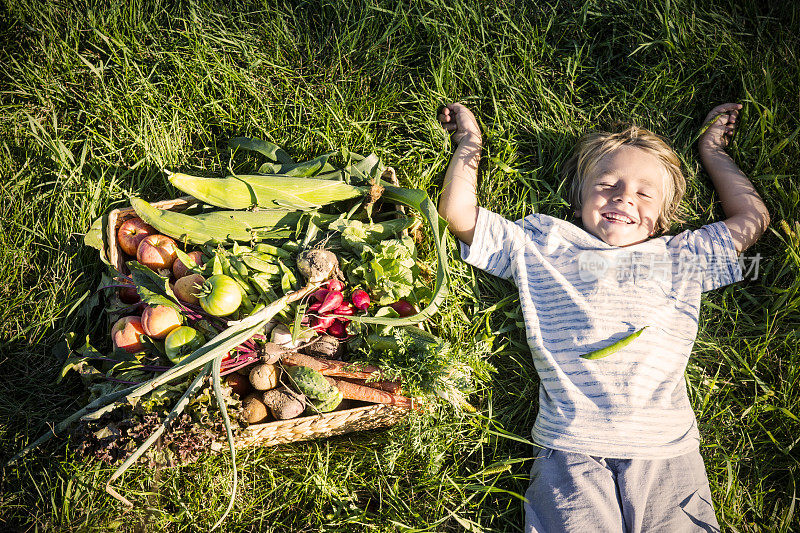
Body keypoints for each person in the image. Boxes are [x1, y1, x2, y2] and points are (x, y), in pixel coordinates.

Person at [437, 102, 770, 532]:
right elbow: (459, 216)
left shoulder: (680, 256)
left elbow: (752, 220)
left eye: (645, 193)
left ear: (662, 218)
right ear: (578, 200)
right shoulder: (543, 246)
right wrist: (469, 143)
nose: (624, 196)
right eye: (607, 183)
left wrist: (714, 153)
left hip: (666, 449)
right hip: (572, 446)